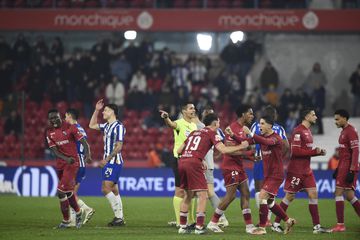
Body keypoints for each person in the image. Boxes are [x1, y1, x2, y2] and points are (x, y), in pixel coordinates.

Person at [176, 113, 249, 234]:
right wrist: (242, 145)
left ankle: (182, 227)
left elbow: (179, 150)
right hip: (194, 164)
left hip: (183, 161)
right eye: (219, 122)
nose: (219, 124)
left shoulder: (194, 132)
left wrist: (199, 159)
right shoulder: (212, 133)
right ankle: (199, 227)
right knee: (203, 194)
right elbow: (224, 150)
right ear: (215, 123)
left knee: (188, 195)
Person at [272, 108, 331, 234]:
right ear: (306, 116)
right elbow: (296, 152)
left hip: (307, 170)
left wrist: (317, 152)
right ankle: (276, 224)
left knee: (313, 194)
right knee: (290, 196)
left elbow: (306, 150)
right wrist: (314, 152)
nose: (316, 117)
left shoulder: (308, 131)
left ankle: (317, 227)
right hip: (296, 170)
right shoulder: (298, 131)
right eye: (313, 114)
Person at [207, 104, 257, 234]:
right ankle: (213, 222)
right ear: (243, 114)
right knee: (231, 196)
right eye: (250, 113)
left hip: (239, 166)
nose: (252, 116)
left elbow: (250, 147)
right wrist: (247, 154)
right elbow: (228, 151)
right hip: (230, 166)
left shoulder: (245, 129)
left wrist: (250, 139)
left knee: (246, 193)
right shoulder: (232, 128)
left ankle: (249, 226)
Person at [243, 115, 296, 235]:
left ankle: (262, 228)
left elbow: (266, 142)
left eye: (262, 124)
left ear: (270, 125)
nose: (259, 126)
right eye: (259, 123)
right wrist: (232, 136)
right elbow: (249, 142)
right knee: (270, 202)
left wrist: (251, 134)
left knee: (262, 197)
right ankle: (288, 220)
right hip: (268, 174)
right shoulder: (262, 136)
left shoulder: (276, 138)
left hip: (276, 174)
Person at [46, 109, 91, 229]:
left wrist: (88, 155)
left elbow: (84, 143)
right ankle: (79, 212)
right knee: (68, 192)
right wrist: (65, 158)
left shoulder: (71, 127)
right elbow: (55, 151)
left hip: (72, 163)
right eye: (51, 119)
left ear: (60, 117)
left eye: (56, 117)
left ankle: (66, 220)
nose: (54, 120)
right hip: (61, 164)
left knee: (60, 192)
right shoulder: (49, 132)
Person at [89, 99, 126, 227]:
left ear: (113, 112)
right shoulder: (106, 126)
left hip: (113, 162)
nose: (104, 112)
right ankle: (120, 218)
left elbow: (119, 146)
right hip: (109, 162)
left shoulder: (119, 127)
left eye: (106, 110)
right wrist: (96, 110)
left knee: (105, 188)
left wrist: (107, 159)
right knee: (114, 190)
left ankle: (119, 218)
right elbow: (92, 125)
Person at [159, 103, 197, 228]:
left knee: (191, 192)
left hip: (192, 161)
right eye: (191, 108)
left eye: (194, 108)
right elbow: (171, 124)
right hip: (179, 160)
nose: (194, 110)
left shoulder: (194, 126)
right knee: (180, 191)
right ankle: (180, 222)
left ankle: (191, 221)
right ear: (184, 111)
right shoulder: (179, 123)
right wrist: (166, 117)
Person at [250, 105, 289, 226]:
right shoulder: (280, 128)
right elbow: (287, 146)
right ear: (274, 115)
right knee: (268, 195)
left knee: (260, 191)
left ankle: (263, 222)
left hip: (260, 161)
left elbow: (250, 142)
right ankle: (269, 219)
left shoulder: (256, 126)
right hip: (269, 161)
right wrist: (277, 157)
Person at [192, 107, 229, 228]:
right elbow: (223, 143)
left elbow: (223, 145)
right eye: (206, 113)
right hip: (206, 163)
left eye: (209, 113)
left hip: (203, 164)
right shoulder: (214, 130)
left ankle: (221, 218)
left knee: (207, 193)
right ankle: (188, 219)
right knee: (198, 193)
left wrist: (212, 154)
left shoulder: (201, 127)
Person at [64, 108, 95, 225]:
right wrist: (88, 155)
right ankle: (72, 221)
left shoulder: (73, 129)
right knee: (72, 192)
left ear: (70, 116)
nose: (64, 119)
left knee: (68, 193)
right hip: (82, 164)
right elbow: (86, 144)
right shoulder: (81, 128)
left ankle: (86, 209)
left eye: (65, 116)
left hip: (75, 164)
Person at [332, 109, 360, 232]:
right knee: (350, 196)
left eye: (337, 119)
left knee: (338, 193)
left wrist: (352, 170)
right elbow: (344, 153)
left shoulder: (351, 131)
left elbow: (356, 151)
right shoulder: (344, 132)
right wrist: (338, 168)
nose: (335, 122)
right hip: (343, 166)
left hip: (348, 168)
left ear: (344, 118)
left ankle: (340, 225)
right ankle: (340, 224)